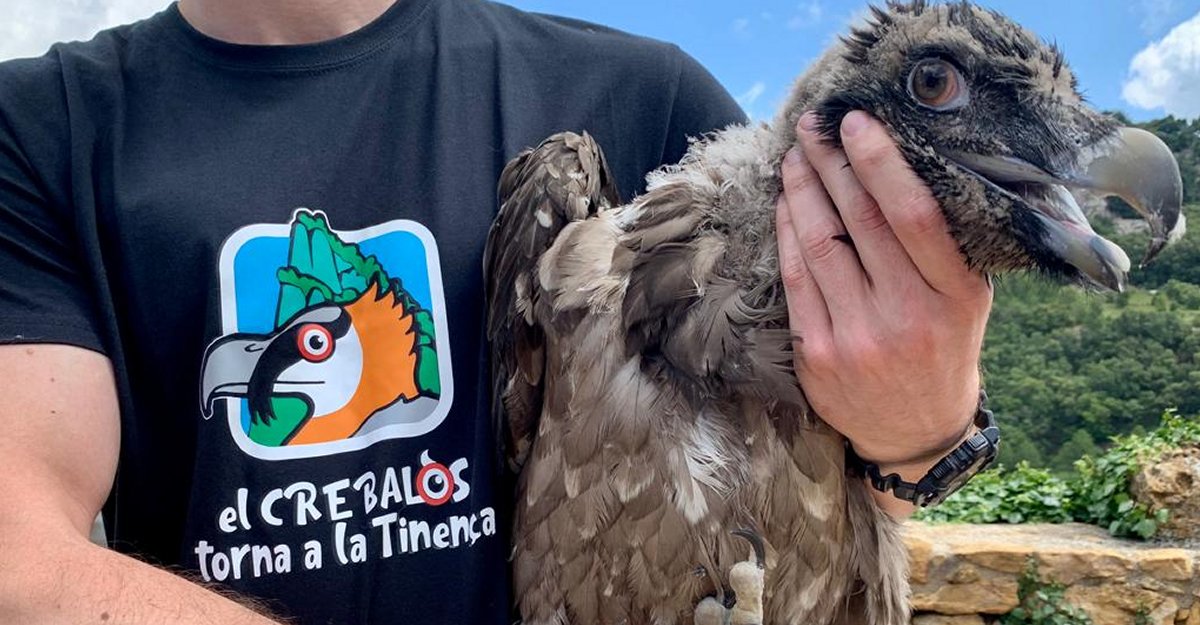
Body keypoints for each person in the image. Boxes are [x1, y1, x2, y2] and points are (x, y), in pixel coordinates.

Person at [0, 0, 990, 623]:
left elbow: (826, 464)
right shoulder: (47, 123)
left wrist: (923, 431)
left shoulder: (639, 95)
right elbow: (19, 557)